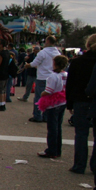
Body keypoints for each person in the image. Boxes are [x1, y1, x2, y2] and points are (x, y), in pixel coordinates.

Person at [65, 34, 96, 173]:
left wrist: (69, 103)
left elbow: (70, 84)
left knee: (81, 134)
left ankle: (79, 164)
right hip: (92, 100)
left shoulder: (78, 62)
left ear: (88, 45)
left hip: (81, 100)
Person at [37, 56, 69, 159]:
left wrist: (42, 94)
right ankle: (57, 150)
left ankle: (51, 150)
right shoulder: (65, 74)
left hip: (53, 103)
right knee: (58, 127)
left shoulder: (53, 76)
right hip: (62, 101)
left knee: (52, 128)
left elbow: (49, 91)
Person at [29, 36, 61, 122]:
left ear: (47, 41)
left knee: (39, 97)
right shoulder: (57, 53)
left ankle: (37, 115)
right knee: (49, 97)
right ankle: (46, 116)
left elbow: (34, 63)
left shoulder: (42, 52)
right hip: (53, 77)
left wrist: (28, 65)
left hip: (42, 77)